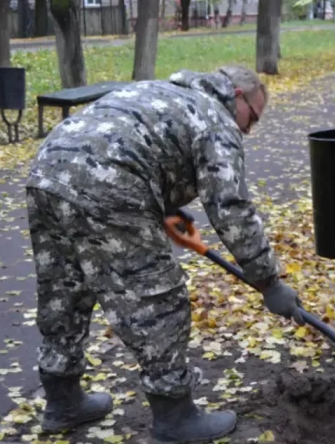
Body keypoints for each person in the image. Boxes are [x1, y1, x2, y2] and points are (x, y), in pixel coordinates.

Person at [24, 65, 304, 443]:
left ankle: (63, 401)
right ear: (237, 95)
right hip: (108, 184)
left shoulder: (164, 92)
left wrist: (167, 208)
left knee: (65, 288)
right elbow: (231, 207)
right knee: (159, 301)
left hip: (47, 173)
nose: (248, 129)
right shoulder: (215, 118)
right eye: (252, 117)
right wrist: (269, 281)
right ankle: (175, 418)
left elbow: (145, 144)